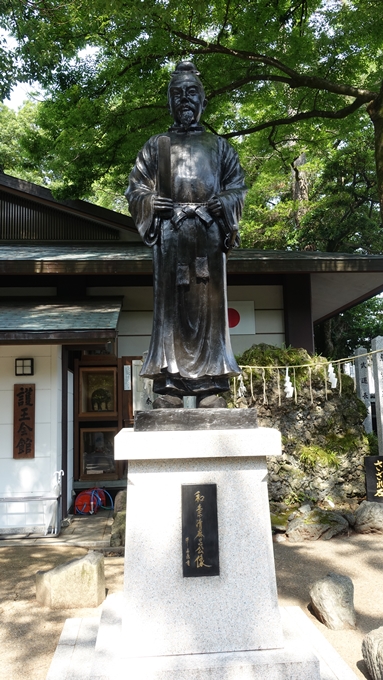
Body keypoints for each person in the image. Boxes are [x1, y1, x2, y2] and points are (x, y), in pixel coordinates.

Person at [126, 62, 247, 407]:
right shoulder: (155, 146)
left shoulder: (219, 146)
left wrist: (222, 204)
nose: (185, 99)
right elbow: (136, 189)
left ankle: (212, 386)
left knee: (209, 309)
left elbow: (237, 186)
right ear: (169, 101)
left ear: (203, 100)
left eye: (191, 92)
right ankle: (170, 386)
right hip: (171, 235)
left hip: (208, 234)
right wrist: (152, 202)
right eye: (177, 93)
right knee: (172, 310)